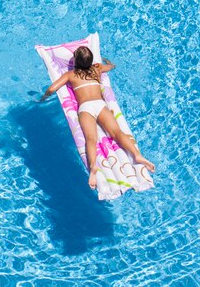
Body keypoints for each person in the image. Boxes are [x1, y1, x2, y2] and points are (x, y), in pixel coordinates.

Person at [39, 46, 155, 190]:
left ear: (75, 60)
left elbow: (51, 89)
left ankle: (94, 167)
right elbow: (111, 67)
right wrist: (108, 62)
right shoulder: (97, 68)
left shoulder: (71, 74)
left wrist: (43, 98)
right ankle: (137, 155)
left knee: (91, 139)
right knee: (117, 133)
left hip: (86, 108)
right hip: (100, 105)